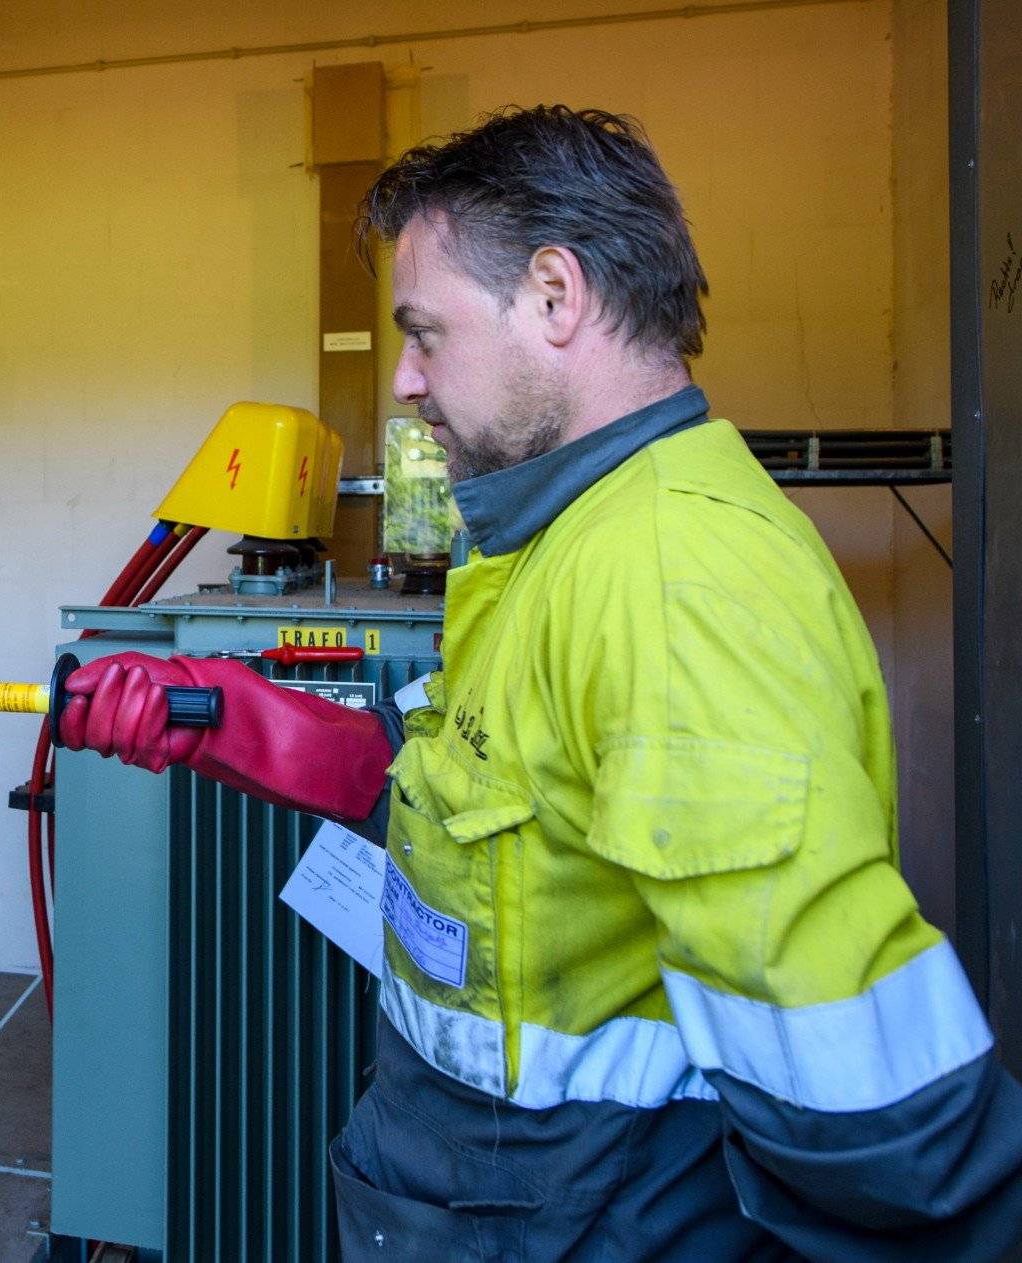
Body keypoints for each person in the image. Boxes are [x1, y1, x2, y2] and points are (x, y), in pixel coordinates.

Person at [57, 105, 1022, 1260]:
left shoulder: (671, 572)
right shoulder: (555, 542)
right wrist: (237, 721)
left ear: (556, 297)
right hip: (478, 1189)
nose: (407, 380)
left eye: (425, 331)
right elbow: (476, 797)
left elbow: (856, 1089)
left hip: (566, 1211)